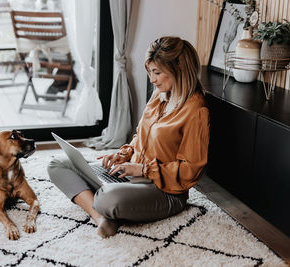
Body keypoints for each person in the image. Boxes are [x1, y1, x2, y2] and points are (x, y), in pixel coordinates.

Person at [47, 36, 210, 238]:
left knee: (107, 199)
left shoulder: (196, 111)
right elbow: (141, 137)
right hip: (130, 175)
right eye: (150, 72)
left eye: (157, 73)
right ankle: (101, 217)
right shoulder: (159, 95)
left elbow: (190, 170)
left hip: (164, 191)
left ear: (179, 69)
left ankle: (100, 202)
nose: (152, 79)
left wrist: (143, 169)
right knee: (58, 163)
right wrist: (124, 155)